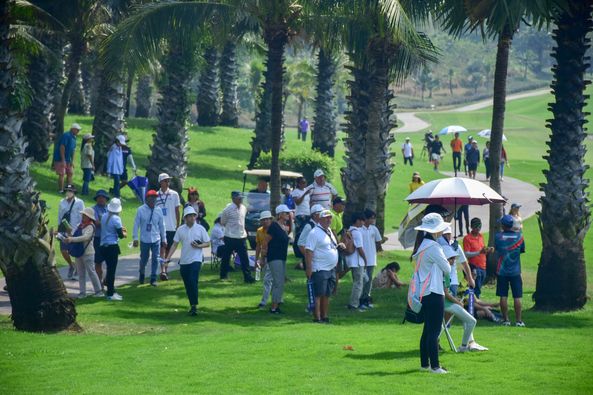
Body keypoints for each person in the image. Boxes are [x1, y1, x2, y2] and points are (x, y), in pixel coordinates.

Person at [412, 213, 451, 374]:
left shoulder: (422, 245)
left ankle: (425, 364)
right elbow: (447, 268)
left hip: (424, 292)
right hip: (434, 292)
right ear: (435, 231)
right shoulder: (433, 247)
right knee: (433, 331)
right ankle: (435, 366)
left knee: (427, 331)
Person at [164, 206, 210, 316]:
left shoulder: (200, 229)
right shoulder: (180, 229)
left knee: (193, 280)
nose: (192, 218)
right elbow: (174, 244)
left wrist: (199, 246)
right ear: (185, 218)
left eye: (193, 216)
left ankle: (194, 305)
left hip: (196, 259)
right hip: (184, 261)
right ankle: (192, 304)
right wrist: (168, 258)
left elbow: (207, 243)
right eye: (189, 216)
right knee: (188, 283)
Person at [442, 247, 488, 352]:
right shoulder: (444, 272)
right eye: (452, 259)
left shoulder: (446, 272)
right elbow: (445, 293)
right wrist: (457, 301)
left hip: (448, 303)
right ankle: (463, 346)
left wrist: (456, 299)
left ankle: (466, 344)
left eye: (454, 258)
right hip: (446, 304)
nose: (454, 261)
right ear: (446, 259)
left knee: (468, 320)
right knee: (472, 321)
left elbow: (447, 293)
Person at [305, 210, 343, 323]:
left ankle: (325, 315)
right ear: (320, 219)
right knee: (318, 294)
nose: (328, 220)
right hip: (320, 268)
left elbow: (331, 245)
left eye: (330, 218)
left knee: (326, 294)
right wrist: (309, 268)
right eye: (326, 218)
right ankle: (317, 317)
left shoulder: (329, 230)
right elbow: (308, 251)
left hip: (330, 268)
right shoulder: (314, 233)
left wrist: (340, 245)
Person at [495, 215, 526, 327]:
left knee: (503, 295)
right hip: (515, 271)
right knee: (517, 296)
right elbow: (522, 250)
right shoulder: (520, 237)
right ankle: (518, 321)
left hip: (502, 271)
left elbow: (497, 249)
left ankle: (506, 320)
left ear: (503, 225)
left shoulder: (498, 236)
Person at [65, 207, 103, 298]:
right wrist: (68, 235)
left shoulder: (90, 226)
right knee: (81, 273)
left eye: (85, 215)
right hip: (79, 252)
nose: (83, 216)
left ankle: (98, 291)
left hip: (88, 253)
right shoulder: (80, 225)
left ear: (89, 217)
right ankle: (82, 292)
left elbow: (85, 237)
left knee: (91, 272)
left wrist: (71, 239)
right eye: (83, 215)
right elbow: (74, 235)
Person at [132, 189, 166, 286]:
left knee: (156, 258)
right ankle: (142, 273)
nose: (153, 200)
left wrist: (164, 239)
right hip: (144, 239)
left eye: (155, 198)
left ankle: (153, 278)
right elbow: (136, 225)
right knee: (144, 259)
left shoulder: (158, 210)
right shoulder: (141, 210)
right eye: (151, 198)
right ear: (147, 199)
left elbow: (162, 226)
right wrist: (135, 238)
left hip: (156, 239)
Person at [220, 191, 255, 283]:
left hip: (241, 236)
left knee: (244, 258)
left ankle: (247, 277)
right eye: (239, 198)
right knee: (226, 257)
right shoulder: (227, 210)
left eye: (241, 198)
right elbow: (223, 222)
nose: (241, 200)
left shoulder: (243, 208)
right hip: (230, 236)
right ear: (233, 199)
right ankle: (223, 275)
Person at [263, 205, 291, 314]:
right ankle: (274, 307)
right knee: (278, 282)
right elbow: (266, 241)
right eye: (286, 213)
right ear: (280, 214)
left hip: (281, 257)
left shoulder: (284, 227)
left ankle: (277, 304)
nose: (288, 215)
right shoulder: (274, 226)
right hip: (274, 257)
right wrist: (263, 257)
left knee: (280, 281)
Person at [100, 198, 127, 301]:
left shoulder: (104, 216)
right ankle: (110, 293)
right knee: (111, 271)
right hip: (112, 246)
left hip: (103, 246)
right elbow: (120, 235)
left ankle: (111, 290)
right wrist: (124, 234)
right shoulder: (116, 218)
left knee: (109, 269)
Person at [155, 173, 181, 280]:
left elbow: (177, 210)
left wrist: (178, 224)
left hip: (171, 226)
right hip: (160, 227)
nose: (167, 182)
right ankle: (163, 271)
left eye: (168, 180)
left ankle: (165, 268)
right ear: (161, 182)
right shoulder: (156, 195)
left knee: (168, 250)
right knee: (162, 249)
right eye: (165, 180)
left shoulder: (174, 194)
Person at [58, 184, 85, 280]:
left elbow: (82, 216)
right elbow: (60, 216)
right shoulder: (62, 202)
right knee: (64, 250)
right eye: (67, 191)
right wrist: (59, 228)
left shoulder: (79, 202)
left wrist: (79, 229)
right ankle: (71, 265)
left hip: (75, 230)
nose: (68, 192)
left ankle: (78, 270)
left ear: (74, 192)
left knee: (75, 251)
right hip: (64, 230)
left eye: (70, 191)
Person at [463, 218, 494, 298]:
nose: (478, 229)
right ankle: (473, 308)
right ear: (471, 227)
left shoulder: (481, 236)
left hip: (483, 266)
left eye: (479, 226)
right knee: (475, 290)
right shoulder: (467, 238)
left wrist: (488, 250)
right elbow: (466, 254)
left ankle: (476, 306)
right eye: (476, 227)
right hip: (474, 267)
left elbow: (482, 249)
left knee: (479, 288)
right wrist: (479, 252)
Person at [360, 209, 382, 308]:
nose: (373, 220)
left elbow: (378, 241)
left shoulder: (374, 229)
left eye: (374, 218)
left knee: (369, 281)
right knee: (363, 280)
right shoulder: (360, 229)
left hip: (371, 259)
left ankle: (366, 298)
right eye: (371, 218)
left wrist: (376, 250)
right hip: (362, 259)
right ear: (366, 219)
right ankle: (360, 299)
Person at [345, 212, 367, 311]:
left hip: (351, 260)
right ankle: (354, 304)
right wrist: (365, 259)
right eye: (362, 220)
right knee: (358, 283)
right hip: (357, 261)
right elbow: (360, 248)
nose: (363, 222)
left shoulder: (350, 230)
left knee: (362, 280)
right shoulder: (357, 232)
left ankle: (357, 301)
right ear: (357, 220)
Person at [53, 123, 81, 193]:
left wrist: (72, 161)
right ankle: (61, 190)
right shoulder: (66, 135)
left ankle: (69, 190)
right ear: (73, 129)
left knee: (70, 173)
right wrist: (63, 160)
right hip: (60, 159)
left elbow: (73, 150)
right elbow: (62, 147)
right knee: (62, 174)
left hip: (68, 159)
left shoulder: (74, 138)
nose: (78, 132)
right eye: (77, 130)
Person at [256, 211, 274, 308]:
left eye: (267, 219)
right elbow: (258, 245)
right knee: (269, 279)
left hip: (273, 257)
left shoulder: (275, 230)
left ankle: (264, 302)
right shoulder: (259, 231)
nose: (266, 221)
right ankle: (277, 299)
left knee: (267, 280)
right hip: (265, 257)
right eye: (263, 220)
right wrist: (257, 259)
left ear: (271, 220)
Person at [92, 190, 109, 286]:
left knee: (110, 262)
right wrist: (108, 222)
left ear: (106, 199)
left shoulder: (110, 209)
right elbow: (96, 223)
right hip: (98, 239)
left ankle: (106, 279)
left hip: (108, 239)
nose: (101, 199)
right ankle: (99, 283)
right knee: (98, 262)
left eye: (103, 197)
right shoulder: (93, 209)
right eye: (99, 197)